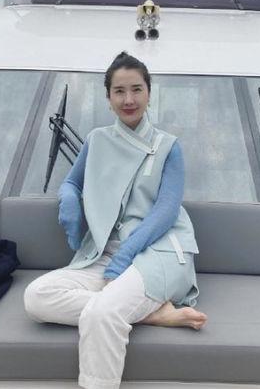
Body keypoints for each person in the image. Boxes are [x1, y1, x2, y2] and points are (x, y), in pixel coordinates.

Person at [23, 51, 207, 389]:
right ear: (108, 98)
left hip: (157, 252)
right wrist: (69, 202)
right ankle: (153, 314)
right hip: (104, 253)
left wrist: (124, 258)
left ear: (149, 93)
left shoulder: (168, 146)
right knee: (36, 296)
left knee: (103, 313)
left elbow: (166, 211)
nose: (128, 99)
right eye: (119, 91)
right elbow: (71, 183)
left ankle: (118, 322)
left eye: (136, 89)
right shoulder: (97, 140)